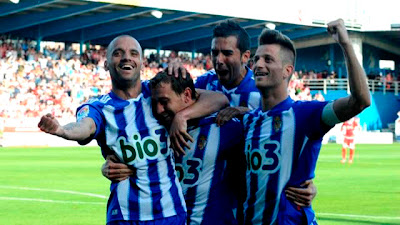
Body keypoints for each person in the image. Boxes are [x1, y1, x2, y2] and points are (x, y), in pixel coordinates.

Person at [37, 35, 229, 225]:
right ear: (106, 64)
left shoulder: (158, 93)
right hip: (124, 216)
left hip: (169, 213)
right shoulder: (99, 107)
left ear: (142, 63)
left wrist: (182, 116)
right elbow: (84, 126)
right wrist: (62, 130)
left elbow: (217, 99)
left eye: (133, 53)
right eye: (118, 53)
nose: (126, 57)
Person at [240, 19, 370, 224]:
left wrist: (346, 44)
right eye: (256, 59)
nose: (258, 65)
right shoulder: (248, 121)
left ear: (287, 70)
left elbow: (360, 101)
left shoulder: (304, 115)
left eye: (268, 59)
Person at [150, 70, 245, 224]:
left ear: (187, 95)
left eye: (164, 101)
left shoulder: (222, 127)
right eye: (155, 103)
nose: (159, 109)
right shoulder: (155, 130)